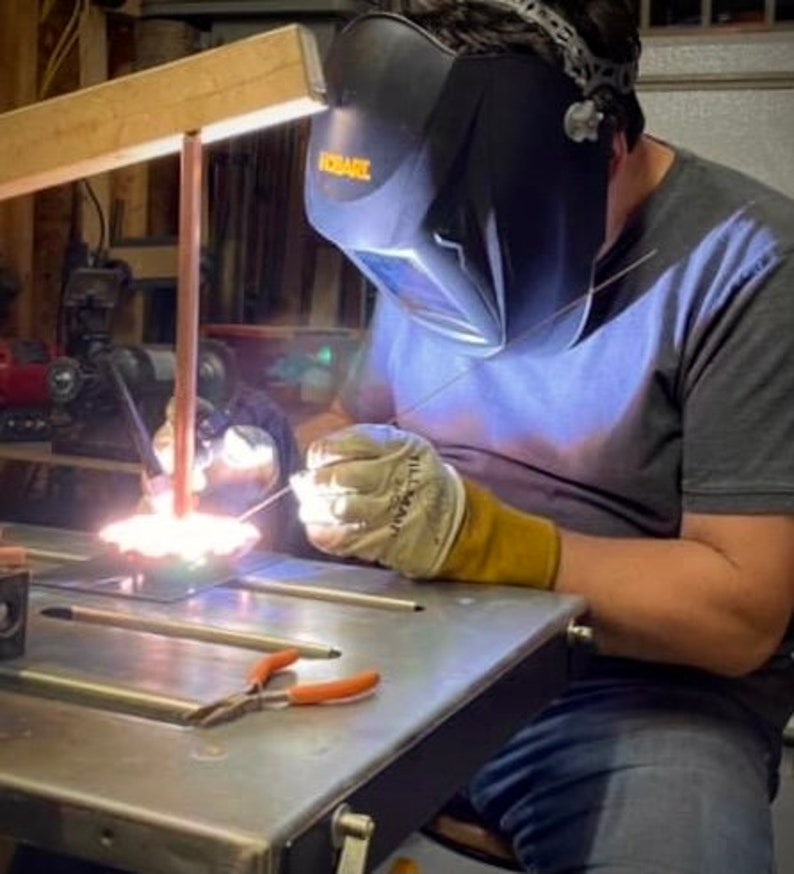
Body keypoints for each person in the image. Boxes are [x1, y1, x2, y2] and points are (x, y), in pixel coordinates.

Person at [152, 0, 794, 870]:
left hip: (626, 696)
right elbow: (358, 421)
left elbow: (737, 614)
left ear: (599, 144)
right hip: (399, 646)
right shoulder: (440, 217)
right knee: (144, 803)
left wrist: (485, 539)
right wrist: (269, 456)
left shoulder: (752, 267)